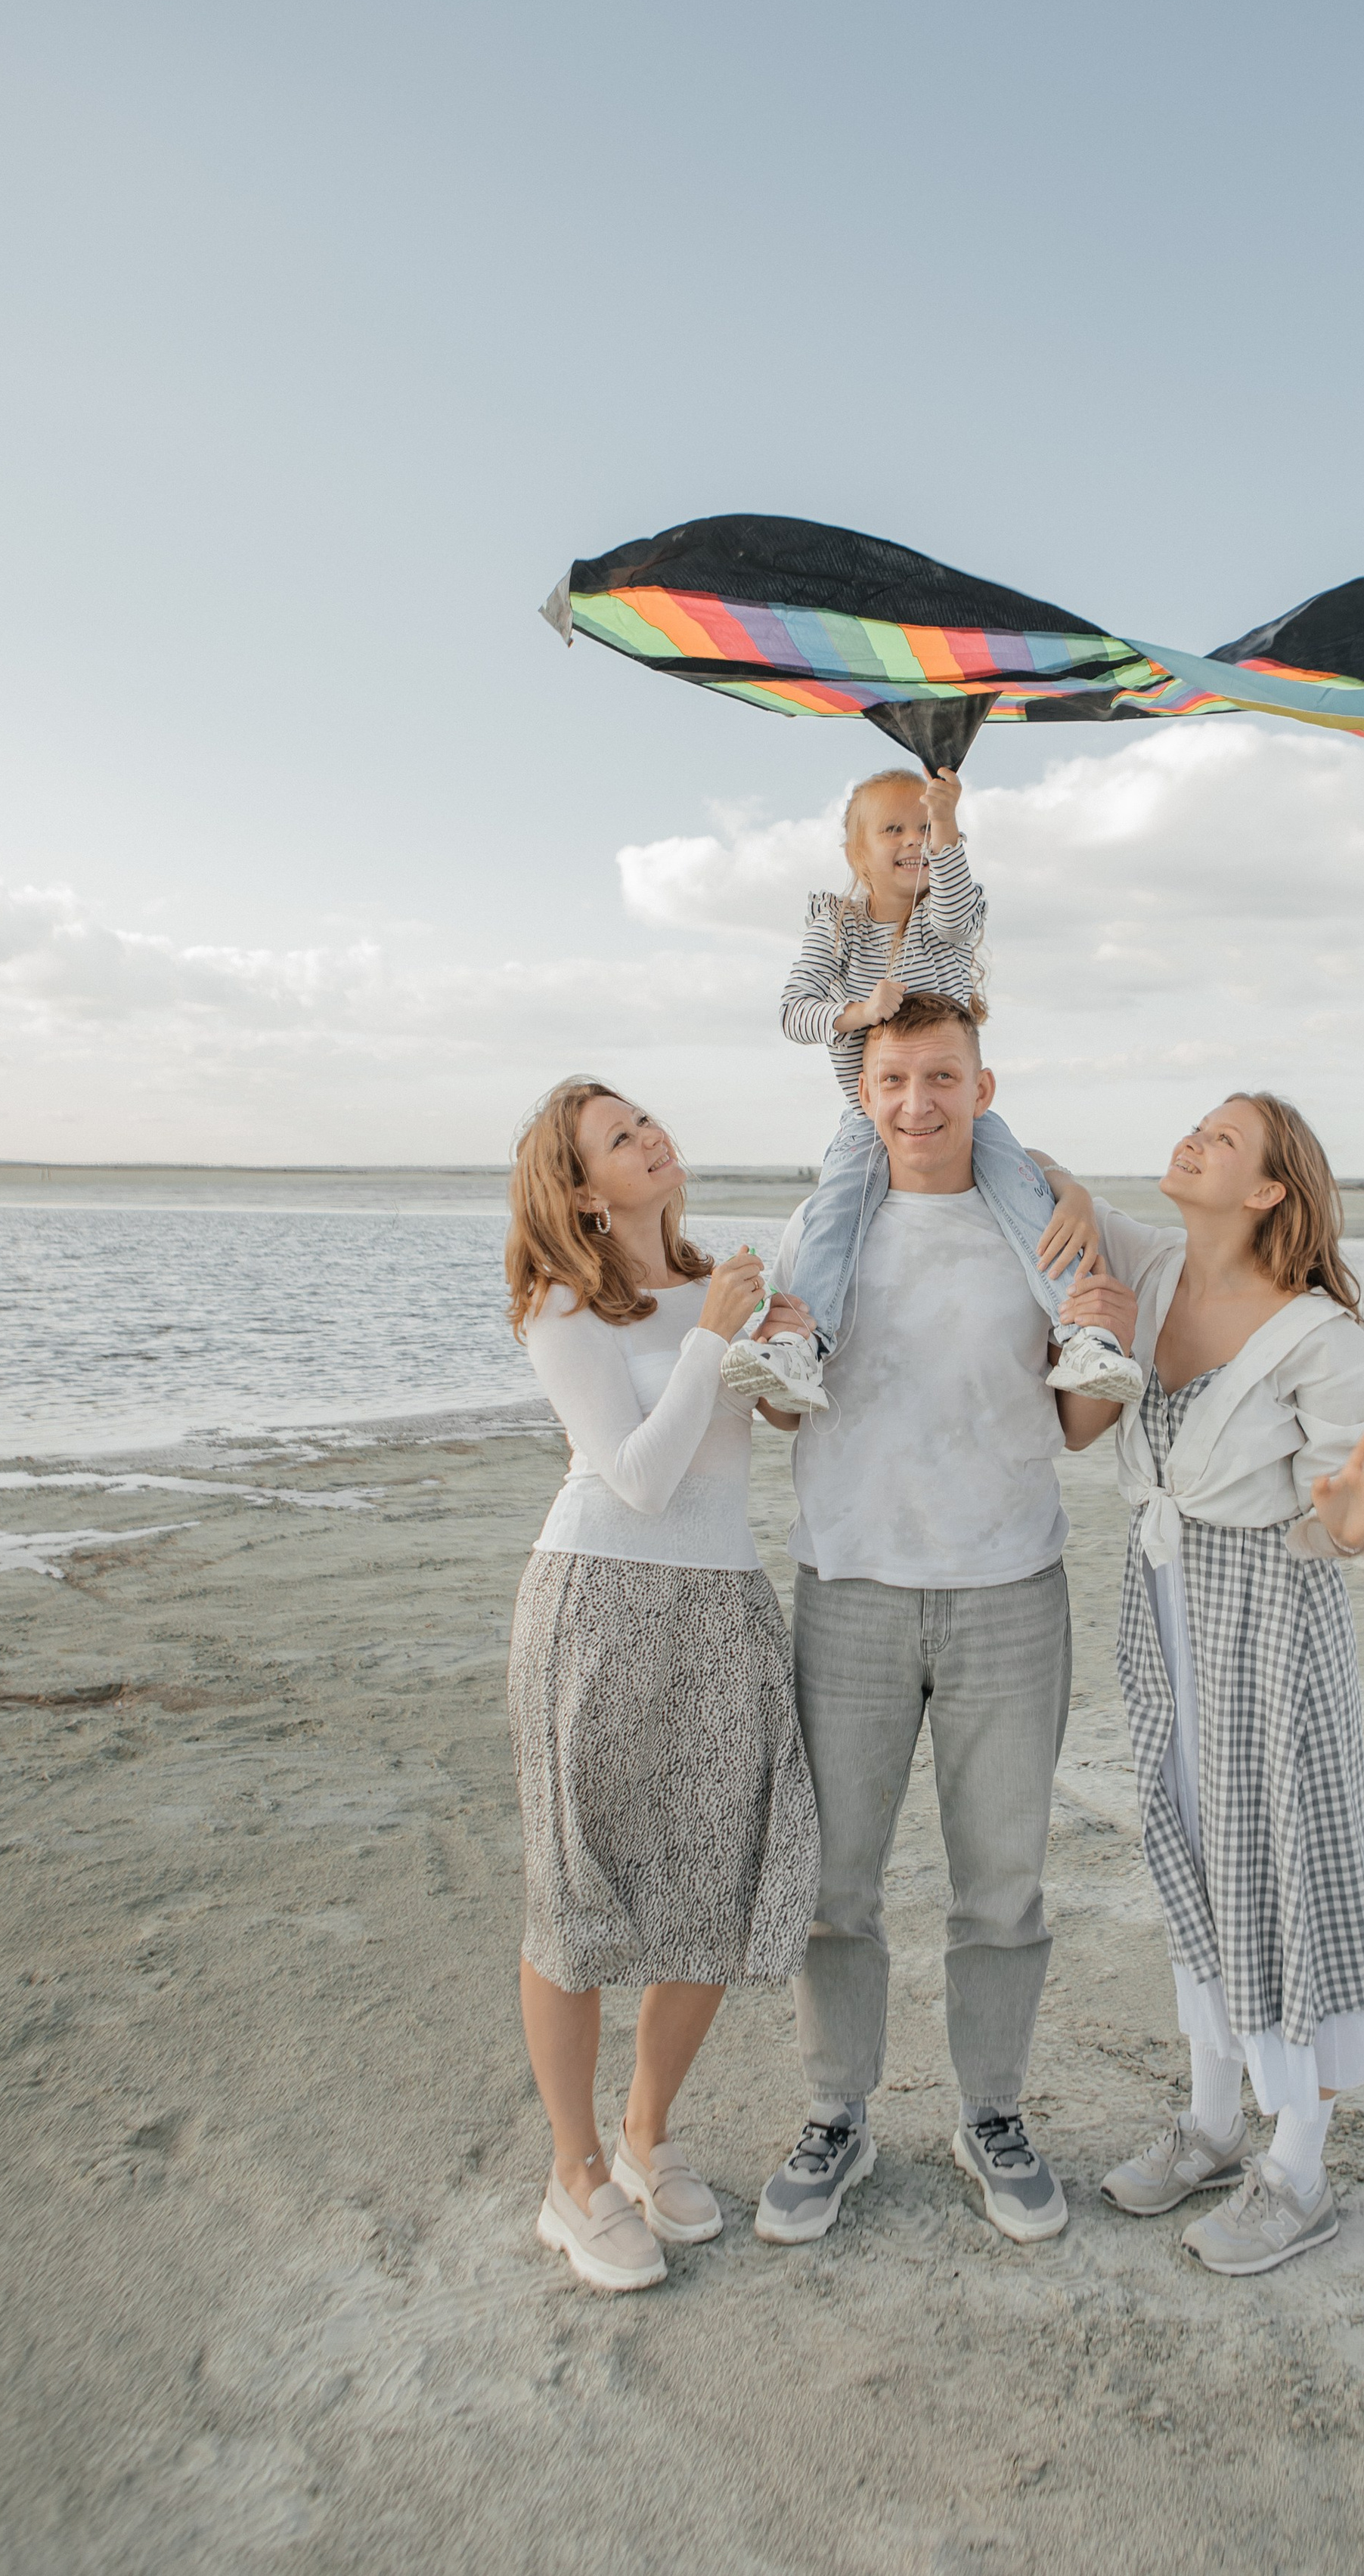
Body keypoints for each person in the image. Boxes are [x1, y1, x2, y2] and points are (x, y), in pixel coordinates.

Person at [749, 989, 1125, 2250]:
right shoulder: (823, 1223)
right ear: (865, 1094)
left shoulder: (1043, 1227)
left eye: (944, 1076)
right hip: (849, 1587)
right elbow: (784, 1412)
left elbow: (1080, 1422)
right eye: (896, 1078)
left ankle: (994, 2116)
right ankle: (835, 2115)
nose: (920, 1102)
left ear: (984, 1085)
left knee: (1002, 1887)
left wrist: (1108, 1347)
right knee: (833, 1884)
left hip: (1010, 1588)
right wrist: (779, 1347)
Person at [1040, 1092, 1364, 2277]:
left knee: (1281, 1865)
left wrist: (1349, 1523)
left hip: (1270, 1622)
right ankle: (1210, 2121)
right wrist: (1070, 1190)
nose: (1192, 1137)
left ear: (1267, 1194)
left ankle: (1297, 2163)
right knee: (1191, 1852)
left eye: (1225, 1138)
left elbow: (1346, 1512)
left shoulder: (1319, 1338)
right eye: (1194, 1122)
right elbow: (1028, 1165)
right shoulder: (1146, 1275)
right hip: (1163, 1613)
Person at [504, 1078, 821, 2294]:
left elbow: (771, 1427)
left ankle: (646, 2135)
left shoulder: (721, 1285)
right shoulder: (562, 1305)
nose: (651, 1138)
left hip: (722, 1599)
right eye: (619, 1138)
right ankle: (573, 2174)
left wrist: (782, 1346)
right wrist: (711, 1337)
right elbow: (634, 1475)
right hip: (598, 1602)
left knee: (719, 1878)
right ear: (582, 1191)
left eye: (645, 1121)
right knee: (577, 1892)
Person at [718, 763, 1140, 1417]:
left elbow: (949, 892)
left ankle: (1082, 1330)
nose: (914, 839)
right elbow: (794, 1011)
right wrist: (859, 1010)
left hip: (956, 1106)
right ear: (858, 852)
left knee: (1020, 1188)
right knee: (836, 1209)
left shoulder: (950, 918)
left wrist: (946, 820)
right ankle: (803, 1340)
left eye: (927, 827)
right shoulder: (835, 925)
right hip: (870, 1115)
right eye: (895, 828)